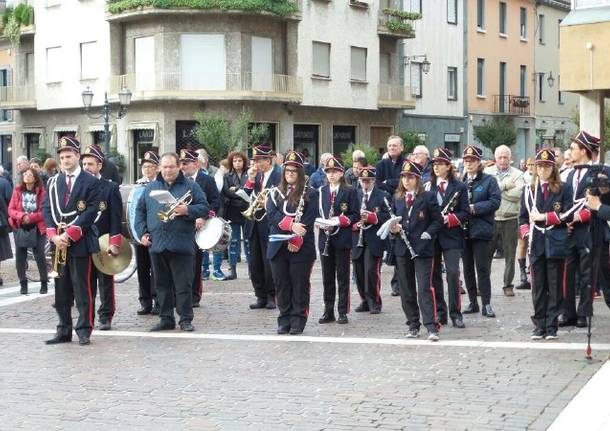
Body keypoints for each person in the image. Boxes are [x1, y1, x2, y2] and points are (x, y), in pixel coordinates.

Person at [135, 152, 209, 332]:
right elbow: (140, 212)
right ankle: (166, 318)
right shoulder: (151, 187)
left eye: (171, 167)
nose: (168, 170)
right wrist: (142, 233)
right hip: (157, 243)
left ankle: (185, 319)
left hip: (181, 243)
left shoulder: (191, 186)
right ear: (160, 168)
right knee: (161, 284)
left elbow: (204, 207)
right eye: (165, 167)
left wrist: (187, 210)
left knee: (183, 284)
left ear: (178, 167)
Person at [42, 136, 101, 346]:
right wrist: (54, 236)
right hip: (58, 242)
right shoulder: (53, 181)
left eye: (69, 156)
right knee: (61, 289)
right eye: (62, 157)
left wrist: (69, 235)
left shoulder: (91, 182)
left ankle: (84, 329)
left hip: (79, 242)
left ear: (77, 155)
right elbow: (47, 209)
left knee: (82, 288)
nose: (65, 160)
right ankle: (63, 329)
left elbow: (91, 211)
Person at [519, 148, 573, 340]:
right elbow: (522, 219)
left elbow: (568, 214)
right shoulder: (528, 190)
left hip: (555, 241)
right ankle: (539, 324)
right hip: (536, 242)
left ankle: (552, 326)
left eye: (547, 166)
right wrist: (526, 235)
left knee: (555, 284)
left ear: (553, 168)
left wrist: (545, 216)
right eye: (539, 166)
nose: (543, 170)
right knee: (538, 286)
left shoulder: (564, 188)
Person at [266, 150, 319, 335]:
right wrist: (291, 226)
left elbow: (309, 220)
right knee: (281, 284)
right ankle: (284, 318)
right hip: (278, 245)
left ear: (300, 173)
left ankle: (298, 319)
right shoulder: (274, 192)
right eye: (287, 170)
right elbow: (272, 215)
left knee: (299, 284)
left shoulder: (311, 193)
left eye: (294, 171)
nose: (290, 173)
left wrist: (297, 237)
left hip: (301, 247)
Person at [391, 160, 443, 340]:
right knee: (406, 288)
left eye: (410, 177)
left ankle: (431, 326)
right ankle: (413, 324)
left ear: (418, 178)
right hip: (402, 249)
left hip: (422, 248)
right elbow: (392, 219)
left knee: (424, 288)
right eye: (404, 177)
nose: (406, 180)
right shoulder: (397, 198)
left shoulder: (428, 197)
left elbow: (438, 221)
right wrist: (393, 229)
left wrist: (429, 233)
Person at [560, 131, 607, 327]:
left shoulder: (599, 172)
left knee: (587, 273)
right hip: (571, 230)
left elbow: (599, 202)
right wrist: (566, 220)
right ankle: (568, 312)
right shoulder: (569, 174)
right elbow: (565, 202)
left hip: (590, 229)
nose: (569, 152)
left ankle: (584, 312)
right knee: (568, 272)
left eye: (573, 148)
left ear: (584, 150)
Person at [81, 145, 123, 331]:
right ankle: (87, 315)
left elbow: (115, 219)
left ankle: (105, 315)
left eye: (91, 163)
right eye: (84, 163)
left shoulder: (110, 188)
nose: (87, 167)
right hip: (82, 241)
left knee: (105, 282)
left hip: (104, 241)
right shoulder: (78, 187)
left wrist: (115, 243)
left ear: (100, 165)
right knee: (85, 282)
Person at [428, 148, 469, 329]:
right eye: (434, 164)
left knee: (452, 274)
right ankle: (440, 312)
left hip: (451, 235)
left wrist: (449, 219)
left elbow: (466, 213)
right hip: (433, 236)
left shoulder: (459, 187)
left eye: (440, 164)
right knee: (434, 275)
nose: (436, 167)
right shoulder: (427, 186)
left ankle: (455, 313)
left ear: (448, 166)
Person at [316, 156, 359, 325]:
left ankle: (342, 311)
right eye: (328, 172)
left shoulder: (349, 191)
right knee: (327, 277)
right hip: (325, 238)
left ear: (341, 173)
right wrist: (322, 223)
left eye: (335, 172)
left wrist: (340, 221)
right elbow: (317, 213)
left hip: (342, 238)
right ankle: (328, 310)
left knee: (342, 276)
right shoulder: (321, 191)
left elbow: (354, 214)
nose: (331, 175)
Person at [461, 145, 502, 318]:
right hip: (464, 231)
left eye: (473, 161)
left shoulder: (488, 181)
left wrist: (474, 208)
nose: (469, 164)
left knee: (482, 268)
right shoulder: (461, 181)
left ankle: (486, 303)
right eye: (466, 161)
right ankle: (472, 302)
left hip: (482, 230)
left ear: (479, 163)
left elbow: (495, 202)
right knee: (468, 268)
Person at [179, 149, 222, 308]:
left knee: (195, 262)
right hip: (181, 226)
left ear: (196, 164)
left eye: (185, 163)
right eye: (181, 163)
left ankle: (194, 296)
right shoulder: (178, 180)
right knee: (181, 262)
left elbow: (215, 203)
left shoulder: (207, 180)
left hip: (199, 226)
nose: (182, 167)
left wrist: (203, 216)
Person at [244, 145, 281, 310]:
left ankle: (271, 295)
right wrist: (250, 181)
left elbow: (280, 198)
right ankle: (259, 295)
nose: (256, 164)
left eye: (259, 160)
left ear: (269, 160)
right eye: (255, 160)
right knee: (254, 262)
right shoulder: (255, 177)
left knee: (269, 261)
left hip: (269, 223)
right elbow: (244, 197)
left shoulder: (279, 176)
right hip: (254, 222)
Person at [484, 145, 525, 297]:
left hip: (510, 219)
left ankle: (508, 285)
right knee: (486, 254)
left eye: (505, 157)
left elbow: (517, 195)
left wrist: (496, 191)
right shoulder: (487, 173)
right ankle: (483, 285)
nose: (502, 160)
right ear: (495, 158)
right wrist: (506, 186)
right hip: (491, 219)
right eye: (500, 157)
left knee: (510, 254)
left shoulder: (518, 174)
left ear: (510, 158)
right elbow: (486, 195)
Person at [352, 166, 390, 314]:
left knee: (370, 271)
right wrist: (354, 222)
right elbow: (350, 214)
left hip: (374, 238)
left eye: (368, 181)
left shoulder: (383, 196)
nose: (365, 184)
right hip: (357, 237)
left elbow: (388, 216)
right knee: (359, 271)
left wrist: (373, 217)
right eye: (362, 181)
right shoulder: (355, 195)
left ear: (374, 181)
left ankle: (374, 300)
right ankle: (364, 300)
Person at [8, 168, 48, 295]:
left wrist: (30, 217)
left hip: (37, 227)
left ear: (35, 178)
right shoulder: (17, 191)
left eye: (30, 175)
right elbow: (11, 209)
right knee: (20, 257)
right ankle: (23, 283)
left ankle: (44, 282)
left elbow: (44, 212)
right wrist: (21, 216)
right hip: (21, 227)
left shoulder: (42, 192)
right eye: (25, 174)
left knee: (40, 255)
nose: (27, 176)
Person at [376, 135, 405, 297]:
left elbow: (403, 183)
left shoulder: (406, 164)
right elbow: (378, 183)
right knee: (388, 242)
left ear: (401, 147)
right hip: (385, 206)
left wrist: (389, 183)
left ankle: (398, 283)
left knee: (399, 243)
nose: (392, 148)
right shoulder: (381, 164)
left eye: (395, 146)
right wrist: (391, 184)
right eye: (389, 146)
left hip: (401, 205)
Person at [135, 151, 160, 315]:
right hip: (140, 232)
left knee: (157, 269)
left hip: (156, 232)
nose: (147, 170)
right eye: (144, 167)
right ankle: (145, 301)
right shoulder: (137, 186)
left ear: (157, 168)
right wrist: (140, 231)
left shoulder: (160, 185)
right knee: (142, 268)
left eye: (150, 166)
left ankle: (158, 300)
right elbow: (135, 211)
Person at [222, 151, 251, 280]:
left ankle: (252, 269)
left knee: (248, 241)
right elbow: (227, 192)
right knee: (233, 241)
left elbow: (249, 190)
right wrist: (240, 191)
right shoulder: (227, 176)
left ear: (244, 161)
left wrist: (237, 189)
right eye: (235, 161)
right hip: (232, 211)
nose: (237, 163)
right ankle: (232, 270)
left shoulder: (249, 174)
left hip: (247, 210)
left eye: (240, 160)